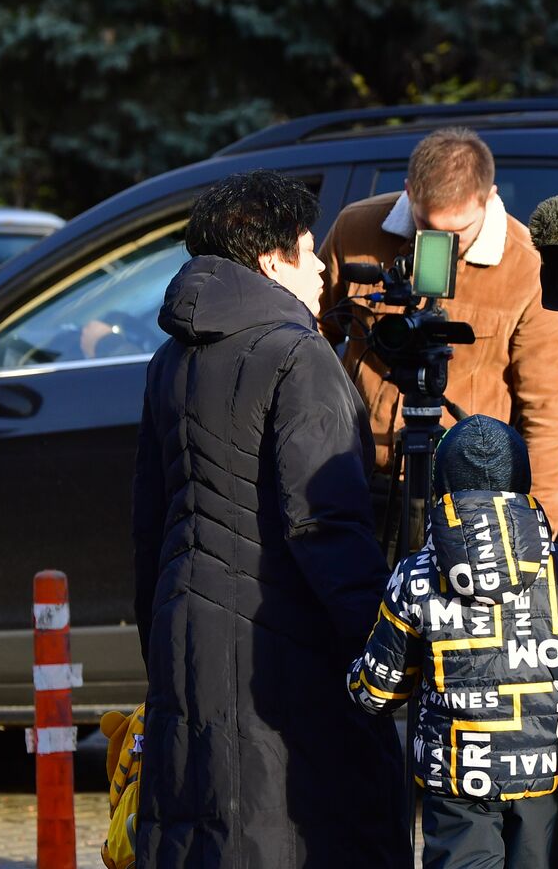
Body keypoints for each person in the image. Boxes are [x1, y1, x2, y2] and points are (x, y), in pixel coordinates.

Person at [132, 170, 407, 868]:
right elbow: (325, 523)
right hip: (284, 647)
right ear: (271, 261)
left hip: (182, 628)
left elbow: (149, 518)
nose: (321, 267)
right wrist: (387, 648)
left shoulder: (171, 357)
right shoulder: (297, 354)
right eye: (309, 250)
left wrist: (159, 634)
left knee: (202, 832)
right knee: (292, 826)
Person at [346, 414, 558, 869]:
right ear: (525, 482)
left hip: (457, 777)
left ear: (440, 487)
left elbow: (379, 692)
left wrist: (351, 678)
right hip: (544, 780)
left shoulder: (416, 573)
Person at [318, 128, 558, 529]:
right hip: (359, 475)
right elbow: (310, 336)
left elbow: (550, 410)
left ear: (489, 196)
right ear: (409, 192)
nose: (440, 241)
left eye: (457, 232)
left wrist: (535, 525)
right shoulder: (357, 230)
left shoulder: (527, 265)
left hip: (466, 492)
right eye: (426, 224)